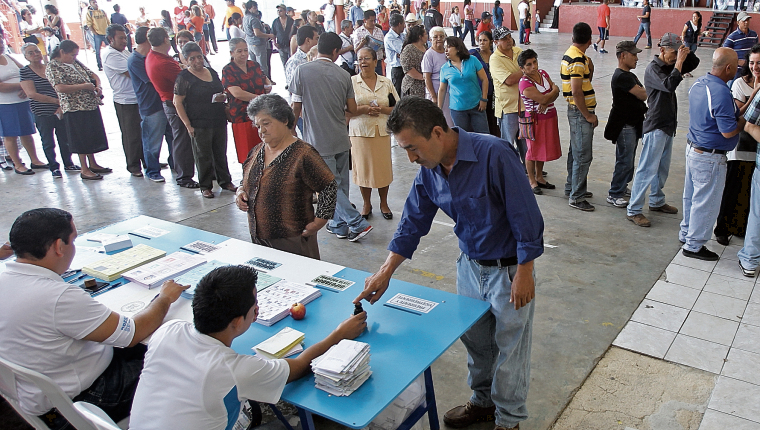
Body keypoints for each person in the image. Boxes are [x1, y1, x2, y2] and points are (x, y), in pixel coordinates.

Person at [355, 97, 543, 430]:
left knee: (511, 349)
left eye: (413, 148)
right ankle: (483, 403)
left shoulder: (494, 154)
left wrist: (525, 271)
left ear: (438, 133)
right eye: (405, 151)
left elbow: (524, 215)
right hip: (469, 267)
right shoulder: (430, 171)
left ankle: (509, 420)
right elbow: (412, 222)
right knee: (476, 342)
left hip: (509, 270)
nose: (412, 158)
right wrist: (385, 272)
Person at [0, 208, 188, 430]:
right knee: (181, 358)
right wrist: (164, 298)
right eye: (73, 240)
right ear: (59, 247)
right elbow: (133, 333)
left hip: (33, 392)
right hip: (86, 398)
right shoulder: (57, 297)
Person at [129, 265, 366, 430]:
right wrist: (338, 335)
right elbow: (299, 367)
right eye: (254, 306)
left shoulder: (168, 331)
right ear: (236, 321)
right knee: (288, 399)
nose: (258, 310)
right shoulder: (234, 369)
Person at [290, 32, 373, 242]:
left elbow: (295, 107)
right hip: (341, 138)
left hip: (318, 140)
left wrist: (291, 131)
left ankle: (356, 222)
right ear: (336, 52)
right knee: (340, 185)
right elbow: (352, 109)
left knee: (328, 188)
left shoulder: (302, 71)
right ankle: (339, 225)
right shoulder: (344, 75)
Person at [232, 95, 338, 259]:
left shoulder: (303, 154)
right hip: (258, 234)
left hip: (292, 237)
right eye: (258, 125)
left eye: (266, 124)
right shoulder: (257, 150)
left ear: (284, 120)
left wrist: (319, 221)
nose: (261, 130)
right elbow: (246, 178)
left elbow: (328, 186)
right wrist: (240, 191)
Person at [626, 34, 697, 227]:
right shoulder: (654, 69)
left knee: (662, 169)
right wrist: (679, 62)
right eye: (673, 52)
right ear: (663, 50)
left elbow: (694, 63)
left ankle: (657, 201)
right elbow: (670, 84)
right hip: (656, 124)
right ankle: (634, 209)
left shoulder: (669, 66)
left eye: (677, 53)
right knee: (647, 168)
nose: (676, 57)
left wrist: (685, 52)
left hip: (668, 124)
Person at [681, 48, 744, 261]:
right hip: (710, 157)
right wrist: (744, 123)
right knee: (706, 202)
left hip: (694, 149)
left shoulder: (700, 84)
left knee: (691, 197)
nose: (739, 68)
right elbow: (728, 130)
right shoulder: (720, 92)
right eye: (737, 64)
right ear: (728, 68)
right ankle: (694, 245)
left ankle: (686, 233)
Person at [174, 42, 236, 199]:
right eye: (192, 58)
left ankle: (225, 181)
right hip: (199, 122)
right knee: (203, 155)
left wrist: (223, 99)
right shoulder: (184, 78)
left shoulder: (211, 72)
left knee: (220, 152)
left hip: (217, 118)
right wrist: (188, 125)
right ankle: (205, 185)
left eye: (199, 57)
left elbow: (220, 89)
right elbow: (178, 102)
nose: (197, 61)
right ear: (186, 60)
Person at [714, 45, 760, 245]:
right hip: (740, 147)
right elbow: (738, 116)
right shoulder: (740, 84)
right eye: (751, 63)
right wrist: (755, 93)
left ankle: (741, 226)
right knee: (732, 189)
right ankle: (722, 228)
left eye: (759, 63)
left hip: (756, 150)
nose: (755, 67)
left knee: (749, 191)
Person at [46, 40, 112, 181]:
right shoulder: (53, 66)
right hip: (74, 107)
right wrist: (84, 86)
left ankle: (93, 163)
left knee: (90, 135)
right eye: (71, 55)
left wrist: (97, 86)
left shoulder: (74, 62)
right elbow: (60, 88)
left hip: (89, 104)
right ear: (62, 52)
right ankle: (84, 168)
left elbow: (92, 75)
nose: (74, 57)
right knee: (80, 138)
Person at [349, 47, 399, 220]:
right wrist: (362, 109)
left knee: (382, 169)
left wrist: (382, 109)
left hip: (381, 131)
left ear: (375, 62)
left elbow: (397, 107)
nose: (363, 62)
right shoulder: (352, 82)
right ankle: (366, 203)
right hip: (360, 132)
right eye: (360, 59)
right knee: (363, 170)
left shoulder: (386, 82)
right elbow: (345, 110)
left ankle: (384, 203)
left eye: (367, 58)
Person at [146, 27, 199, 188]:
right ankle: (184, 177)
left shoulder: (155, 56)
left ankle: (183, 172)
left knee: (180, 140)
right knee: (182, 141)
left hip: (170, 102)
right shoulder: (162, 62)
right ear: (164, 40)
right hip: (174, 103)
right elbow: (186, 79)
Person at [19, 43, 79, 179]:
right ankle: (54, 167)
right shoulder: (25, 71)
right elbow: (31, 94)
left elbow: (61, 86)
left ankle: (68, 163)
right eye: (30, 53)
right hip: (42, 111)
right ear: (26, 57)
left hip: (59, 109)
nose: (35, 54)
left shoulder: (50, 67)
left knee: (64, 138)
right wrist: (56, 101)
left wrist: (61, 104)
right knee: (48, 141)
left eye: (36, 51)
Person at [603, 41, 646, 208]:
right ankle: (615, 193)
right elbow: (643, 94)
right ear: (623, 56)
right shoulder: (622, 77)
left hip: (632, 123)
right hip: (625, 125)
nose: (636, 58)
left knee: (628, 159)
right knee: (625, 160)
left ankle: (622, 186)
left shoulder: (629, 75)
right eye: (633, 55)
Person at [128, 26, 173, 183]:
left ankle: (174, 164)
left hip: (163, 103)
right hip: (151, 106)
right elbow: (152, 79)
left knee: (171, 136)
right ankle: (152, 170)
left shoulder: (149, 57)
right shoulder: (136, 60)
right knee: (152, 141)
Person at [561, 22, 596, 212]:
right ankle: (577, 196)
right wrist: (588, 115)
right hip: (579, 111)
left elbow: (585, 82)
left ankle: (572, 186)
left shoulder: (574, 55)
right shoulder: (577, 59)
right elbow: (577, 92)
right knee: (583, 155)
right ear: (589, 40)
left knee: (575, 151)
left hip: (575, 111)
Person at [103, 24, 146, 177]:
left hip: (137, 98)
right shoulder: (110, 55)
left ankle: (146, 160)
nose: (124, 40)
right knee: (131, 135)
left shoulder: (125, 52)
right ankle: (133, 165)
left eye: (125, 37)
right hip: (125, 101)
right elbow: (133, 72)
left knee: (142, 132)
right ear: (110, 39)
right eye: (120, 38)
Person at [0, 38, 47, 176]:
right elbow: (1, 87)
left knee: (27, 132)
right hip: (5, 104)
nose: (1, 46)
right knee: (11, 135)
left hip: (22, 101)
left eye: (1, 43)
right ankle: (18, 163)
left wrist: (26, 87)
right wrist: (23, 86)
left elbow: (26, 72)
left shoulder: (8, 57)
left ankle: (35, 160)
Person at [518, 49, 561, 195]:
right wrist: (551, 94)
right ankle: (531, 180)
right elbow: (547, 96)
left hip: (549, 117)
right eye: (528, 65)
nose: (533, 67)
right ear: (522, 68)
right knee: (532, 151)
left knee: (541, 149)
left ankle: (540, 176)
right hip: (534, 121)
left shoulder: (543, 73)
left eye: (534, 62)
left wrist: (550, 94)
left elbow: (556, 90)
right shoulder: (524, 82)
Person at [223, 38, 272, 164]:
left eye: (245, 50)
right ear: (231, 53)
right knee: (247, 153)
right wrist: (260, 98)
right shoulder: (228, 70)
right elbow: (237, 93)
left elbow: (263, 78)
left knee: (264, 149)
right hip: (242, 115)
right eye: (239, 51)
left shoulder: (253, 65)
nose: (243, 54)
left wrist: (268, 85)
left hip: (260, 113)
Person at [439, 36, 489, 133]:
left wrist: (484, 99)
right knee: (464, 137)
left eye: (448, 47)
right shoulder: (444, 68)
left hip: (477, 106)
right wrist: (439, 109)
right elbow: (442, 89)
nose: (446, 50)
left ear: (458, 48)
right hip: (457, 109)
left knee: (484, 136)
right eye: (444, 47)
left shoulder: (472, 60)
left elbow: (484, 80)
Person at [491, 28, 525, 161]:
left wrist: (523, 71)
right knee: (508, 143)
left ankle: (528, 168)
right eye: (504, 39)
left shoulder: (519, 52)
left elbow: (533, 69)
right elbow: (509, 80)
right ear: (496, 42)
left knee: (525, 140)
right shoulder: (495, 59)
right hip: (508, 107)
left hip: (524, 104)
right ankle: (507, 168)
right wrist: (525, 70)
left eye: (509, 37)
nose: (508, 40)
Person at [469, 31, 499, 137]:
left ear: (491, 42)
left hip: (495, 94)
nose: (482, 43)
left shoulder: (496, 55)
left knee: (494, 121)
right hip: (479, 94)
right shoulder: (473, 54)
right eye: (480, 40)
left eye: (485, 40)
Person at [423, 27, 454, 127]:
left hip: (450, 92)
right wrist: (433, 97)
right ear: (430, 40)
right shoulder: (429, 54)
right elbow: (426, 77)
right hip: (436, 92)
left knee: (450, 121)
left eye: (441, 36)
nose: (439, 39)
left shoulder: (448, 52)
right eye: (435, 37)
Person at [243, 1, 273, 78]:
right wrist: (269, 35)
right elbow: (257, 33)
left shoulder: (245, 18)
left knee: (253, 65)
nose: (256, 9)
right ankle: (264, 83)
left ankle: (256, 81)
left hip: (250, 43)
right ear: (249, 8)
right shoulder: (253, 19)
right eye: (254, 7)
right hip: (258, 44)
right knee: (262, 65)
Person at [285, 25, 319, 90]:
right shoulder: (294, 62)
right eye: (316, 39)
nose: (318, 42)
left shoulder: (315, 56)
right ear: (308, 40)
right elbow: (293, 89)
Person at [724, 11, 758, 78]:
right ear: (738, 22)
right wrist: (737, 61)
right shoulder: (732, 37)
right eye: (744, 20)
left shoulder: (754, 35)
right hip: (737, 70)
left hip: (751, 69)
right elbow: (724, 53)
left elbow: (756, 50)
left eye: (748, 20)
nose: (746, 22)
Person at [354, 10, 386, 76]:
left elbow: (383, 45)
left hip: (377, 61)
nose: (373, 23)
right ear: (365, 20)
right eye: (371, 21)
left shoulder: (379, 30)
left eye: (375, 20)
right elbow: (356, 50)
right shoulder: (358, 32)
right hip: (365, 63)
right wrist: (361, 44)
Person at [401, 25, 428, 97]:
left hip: (424, 85)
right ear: (420, 36)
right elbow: (408, 68)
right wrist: (423, 78)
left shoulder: (425, 47)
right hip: (413, 85)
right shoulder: (409, 49)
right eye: (425, 34)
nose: (427, 36)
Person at [85, 0, 110, 71]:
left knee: (110, 49)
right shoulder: (90, 13)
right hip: (98, 35)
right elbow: (89, 24)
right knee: (98, 51)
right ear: (90, 4)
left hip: (106, 33)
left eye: (96, 2)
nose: (95, 3)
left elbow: (108, 21)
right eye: (93, 2)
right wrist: (95, 33)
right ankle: (100, 66)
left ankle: (109, 63)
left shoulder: (102, 11)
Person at [385, 13, 405, 97]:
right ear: (399, 24)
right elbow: (403, 50)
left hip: (404, 67)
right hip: (397, 69)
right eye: (404, 23)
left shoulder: (402, 35)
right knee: (397, 94)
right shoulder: (390, 37)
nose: (404, 26)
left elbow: (408, 48)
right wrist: (403, 53)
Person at [272, 4, 294, 69]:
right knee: (284, 63)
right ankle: (286, 77)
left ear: (285, 11)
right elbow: (273, 33)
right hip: (280, 45)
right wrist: (274, 43)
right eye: (278, 11)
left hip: (290, 44)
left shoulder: (291, 20)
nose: (279, 12)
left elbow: (294, 32)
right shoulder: (275, 21)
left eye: (280, 10)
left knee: (291, 61)